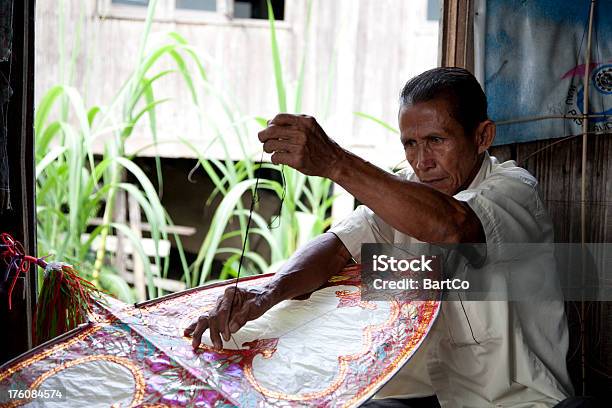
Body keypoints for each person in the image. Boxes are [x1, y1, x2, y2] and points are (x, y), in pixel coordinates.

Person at [184, 67, 573, 407]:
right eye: (410, 144)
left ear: (482, 136)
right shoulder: (405, 191)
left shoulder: (515, 191)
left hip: (513, 404)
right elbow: (337, 247)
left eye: (437, 140)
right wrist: (266, 295)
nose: (422, 162)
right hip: (422, 397)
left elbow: (455, 229)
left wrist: (335, 161)